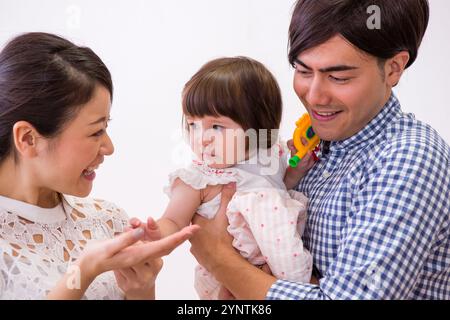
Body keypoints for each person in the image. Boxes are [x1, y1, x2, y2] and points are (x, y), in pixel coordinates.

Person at [188, 0, 450, 299]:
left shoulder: (408, 158)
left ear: (393, 68)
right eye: (302, 70)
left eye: (338, 77)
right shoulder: (314, 145)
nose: (314, 96)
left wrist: (217, 257)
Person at [0, 32, 198, 300]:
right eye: (95, 132)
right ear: (28, 138)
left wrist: (141, 290)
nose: (109, 147)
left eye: (106, 128)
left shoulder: (107, 219)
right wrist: (84, 271)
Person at [154, 57, 316, 299]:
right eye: (193, 125)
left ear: (258, 127)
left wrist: (297, 170)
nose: (202, 138)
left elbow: (279, 188)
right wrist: (150, 236)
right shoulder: (202, 178)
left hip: (276, 276)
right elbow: (172, 221)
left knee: (302, 286)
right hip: (228, 284)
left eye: (216, 127)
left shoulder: (268, 154)